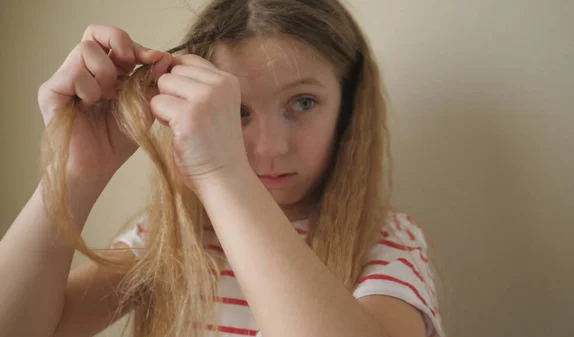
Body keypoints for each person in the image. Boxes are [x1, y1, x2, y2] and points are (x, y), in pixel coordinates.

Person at [0, 1, 445, 337]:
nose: (270, 148)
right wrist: (74, 172)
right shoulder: (171, 237)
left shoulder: (388, 243)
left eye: (303, 103)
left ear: (348, 107)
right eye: (236, 111)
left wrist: (223, 174)